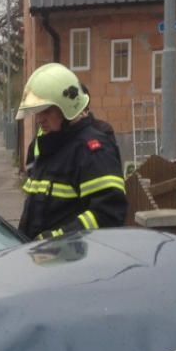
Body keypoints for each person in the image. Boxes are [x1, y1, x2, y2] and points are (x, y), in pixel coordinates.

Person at [15, 62, 127, 239]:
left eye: (46, 111)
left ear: (67, 108)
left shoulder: (92, 150)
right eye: (37, 112)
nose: (39, 119)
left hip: (71, 261)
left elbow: (108, 214)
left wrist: (55, 240)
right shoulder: (51, 146)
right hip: (42, 259)